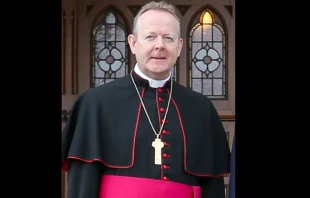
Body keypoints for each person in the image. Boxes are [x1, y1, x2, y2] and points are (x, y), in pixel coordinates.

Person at [61, 1, 230, 198]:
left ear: (180, 46)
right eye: (150, 37)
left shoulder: (201, 109)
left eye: (168, 38)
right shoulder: (95, 103)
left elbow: (213, 187)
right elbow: (82, 186)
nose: (160, 45)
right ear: (133, 43)